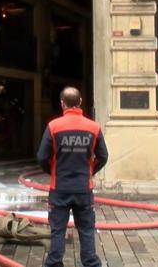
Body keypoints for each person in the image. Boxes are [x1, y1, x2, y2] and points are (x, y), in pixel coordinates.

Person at [36, 87, 108, 267]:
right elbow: (103, 156)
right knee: (86, 230)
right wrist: (90, 171)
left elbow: (41, 157)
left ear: (62, 103)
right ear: (80, 102)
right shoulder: (94, 127)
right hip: (84, 188)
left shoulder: (53, 126)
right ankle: (91, 263)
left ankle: (54, 263)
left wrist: (52, 171)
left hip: (59, 188)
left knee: (57, 230)